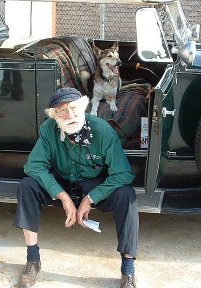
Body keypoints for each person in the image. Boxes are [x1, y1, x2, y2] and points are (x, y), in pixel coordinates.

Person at [15, 87, 139, 288]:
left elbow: (123, 173)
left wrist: (91, 198)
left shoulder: (103, 130)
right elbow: (33, 166)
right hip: (62, 182)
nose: (69, 115)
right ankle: (33, 260)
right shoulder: (48, 129)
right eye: (62, 111)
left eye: (73, 108)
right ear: (54, 116)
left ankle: (128, 271)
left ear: (83, 107)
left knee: (127, 195)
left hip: (93, 184)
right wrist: (62, 196)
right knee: (27, 185)